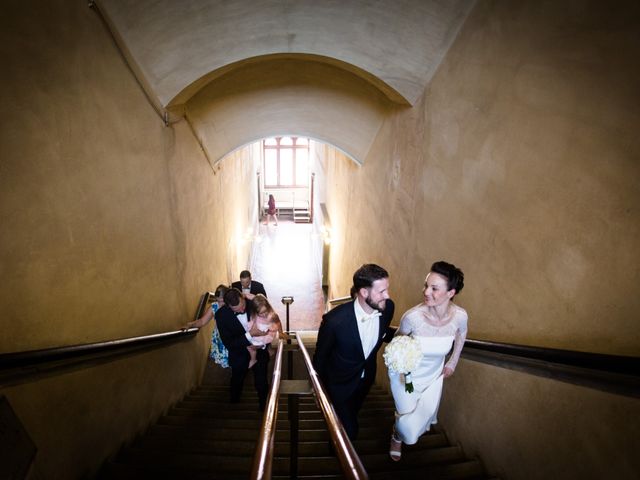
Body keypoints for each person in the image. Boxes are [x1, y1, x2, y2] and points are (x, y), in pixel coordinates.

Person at [388, 261, 467, 462]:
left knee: (422, 413)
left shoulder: (459, 317)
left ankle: (398, 432)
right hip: (407, 375)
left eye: (434, 288)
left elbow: (462, 334)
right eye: (426, 285)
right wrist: (402, 367)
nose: (426, 292)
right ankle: (398, 435)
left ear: (451, 293)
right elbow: (397, 342)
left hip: (433, 375)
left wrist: (452, 363)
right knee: (407, 416)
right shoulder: (413, 318)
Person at [313, 264, 395, 440]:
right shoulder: (334, 321)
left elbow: (384, 332)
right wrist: (318, 388)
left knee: (352, 412)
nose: (387, 296)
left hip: (366, 381)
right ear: (364, 292)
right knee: (350, 430)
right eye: (381, 292)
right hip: (338, 384)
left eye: (387, 290)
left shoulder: (387, 309)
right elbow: (320, 358)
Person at [215, 288, 274, 411]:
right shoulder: (221, 316)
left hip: (260, 350)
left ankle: (264, 409)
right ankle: (234, 403)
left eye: (242, 306)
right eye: (236, 310)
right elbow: (229, 343)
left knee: (262, 382)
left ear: (243, 297)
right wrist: (249, 335)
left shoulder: (255, 302)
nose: (242, 310)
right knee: (237, 380)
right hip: (238, 353)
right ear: (228, 306)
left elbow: (270, 321)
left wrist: (263, 344)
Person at [187, 284, 229, 368]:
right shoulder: (214, 306)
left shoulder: (232, 304)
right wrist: (190, 325)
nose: (220, 304)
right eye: (218, 301)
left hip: (232, 335)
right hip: (220, 337)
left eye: (223, 301)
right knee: (225, 361)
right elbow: (202, 321)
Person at [247, 294, 284, 368]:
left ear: (268, 307)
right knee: (248, 344)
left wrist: (281, 332)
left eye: (265, 311)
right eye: (261, 313)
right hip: (259, 330)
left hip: (267, 333)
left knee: (251, 347)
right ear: (256, 312)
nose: (264, 314)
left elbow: (278, 323)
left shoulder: (272, 316)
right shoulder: (255, 315)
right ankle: (254, 358)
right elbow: (252, 297)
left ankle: (257, 354)